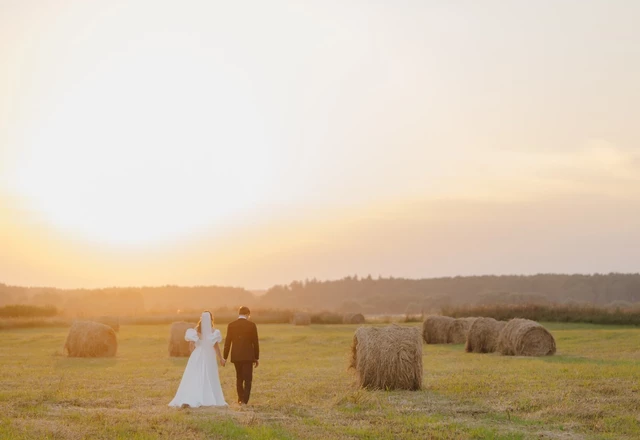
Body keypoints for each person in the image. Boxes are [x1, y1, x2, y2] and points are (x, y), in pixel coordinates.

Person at [168, 311, 227, 408]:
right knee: (209, 375)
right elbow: (216, 346)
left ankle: (192, 395)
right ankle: (208, 396)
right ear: (211, 319)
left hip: (197, 354)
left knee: (195, 375)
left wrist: (193, 355)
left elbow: (191, 345)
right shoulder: (213, 331)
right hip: (209, 355)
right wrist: (221, 358)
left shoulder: (194, 331)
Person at [223, 306, 259, 405]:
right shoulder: (251, 325)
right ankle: (244, 400)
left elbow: (227, 342)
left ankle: (240, 398)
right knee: (248, 379)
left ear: (239, 313)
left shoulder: (231, 325)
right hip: (248, 356)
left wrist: (225, 357)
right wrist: (256, 357)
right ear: (248, 314)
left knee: (239, 377)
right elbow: (255, 342)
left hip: (236, 356)